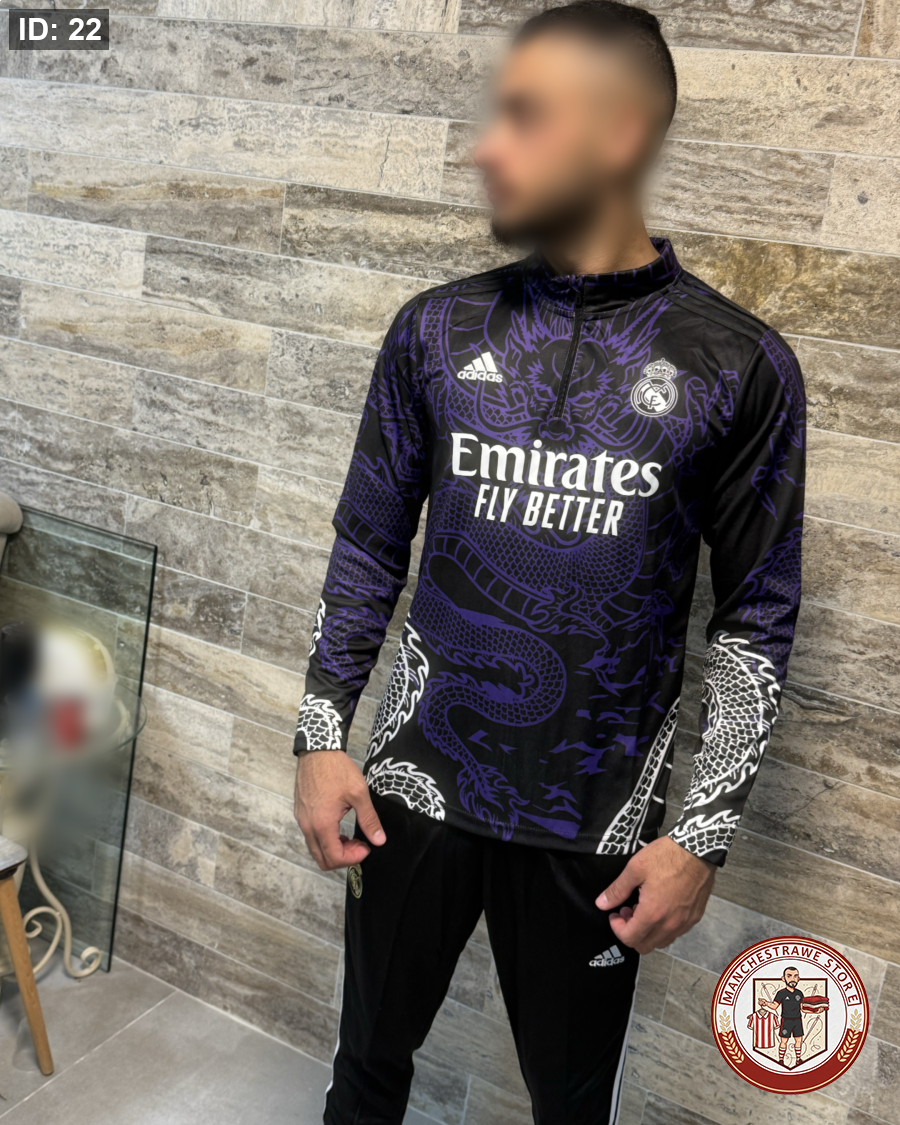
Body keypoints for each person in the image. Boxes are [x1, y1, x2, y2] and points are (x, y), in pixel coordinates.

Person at [292, 2, 806, 1121]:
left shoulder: (739, 364)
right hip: (413, 791)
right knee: (366, 1068)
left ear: (619, 134)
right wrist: (321, 736)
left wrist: (702, 834)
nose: (487, 146)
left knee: (571, 1105)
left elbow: (757, 617)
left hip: (597, 821)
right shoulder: (433, 332)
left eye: (523, 117)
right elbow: (369, 542)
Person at [761, 967, 806, 1066]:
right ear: (783, 978)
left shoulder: (799, 993)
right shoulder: (781, 993)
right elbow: (774, 1006)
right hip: (786, 1020)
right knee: (784, 1040)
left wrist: (816, 1010)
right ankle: (781, 1060)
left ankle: (798, 1059)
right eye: (789, 976)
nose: (792, 979)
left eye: (795, 976)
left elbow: (803, 1008)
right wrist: (766, 1003)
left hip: (797, 1020)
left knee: (799, 1040)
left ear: (798, 979)